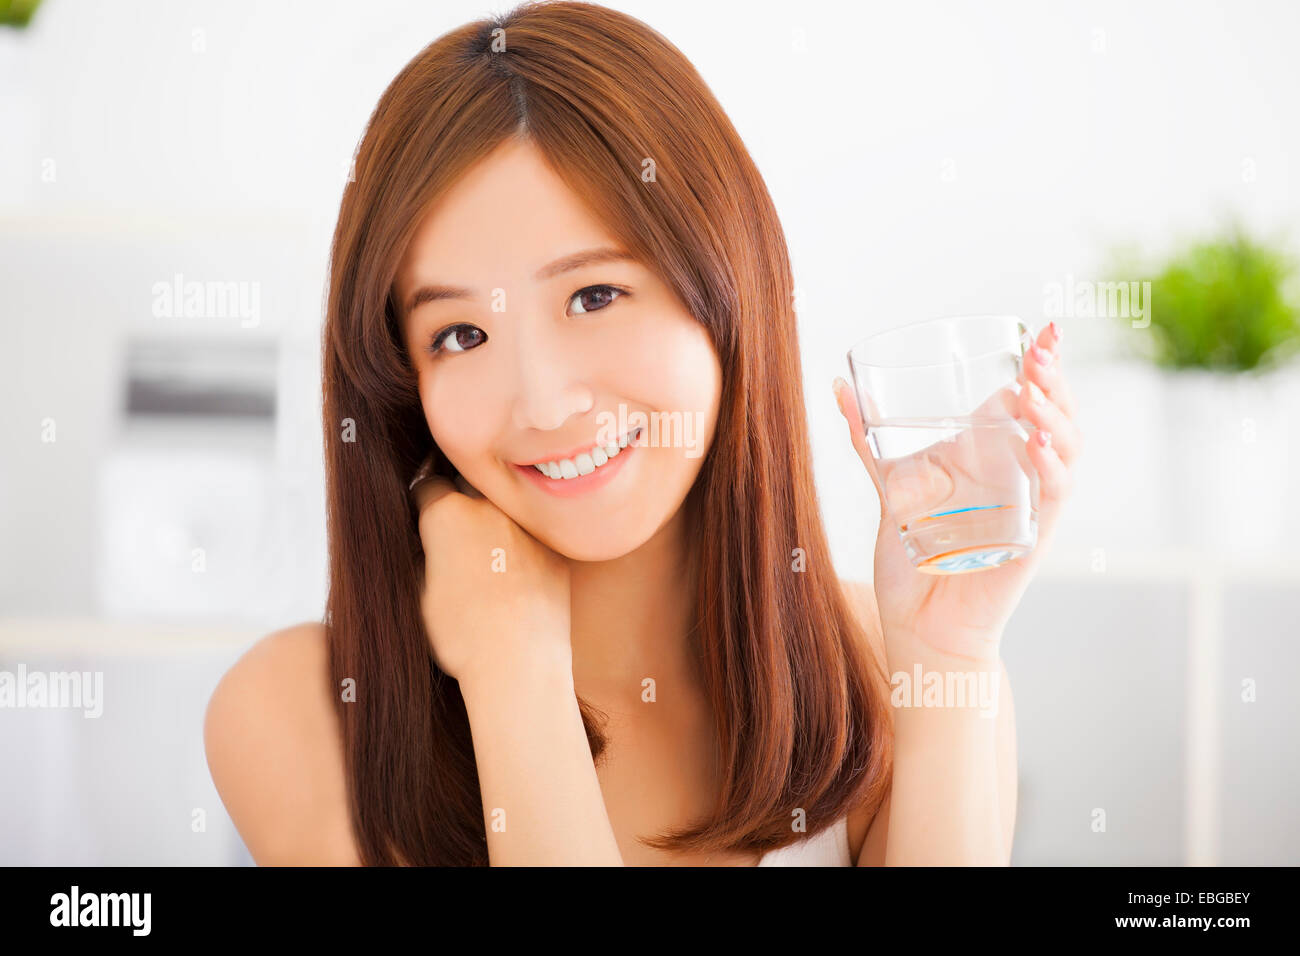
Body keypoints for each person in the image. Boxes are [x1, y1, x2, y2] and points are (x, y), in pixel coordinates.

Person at [204, 0, 1080, 866]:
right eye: (460, 335)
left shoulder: (893, 674)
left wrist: (950, 660)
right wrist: (512, 672)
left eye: (593, 296)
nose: (542, 403)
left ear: (726, 284)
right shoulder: (300, 712)